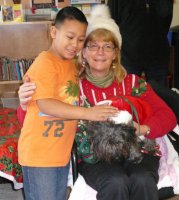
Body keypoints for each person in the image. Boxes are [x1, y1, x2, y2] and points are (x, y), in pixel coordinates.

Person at [17, 5, 177, 200]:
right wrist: (25, 103)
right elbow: (34, 117)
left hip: (138, 150)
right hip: (96, 156)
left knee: (142, 179)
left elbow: (168, 117)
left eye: (108, 46)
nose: (100, 51)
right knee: (115, 183)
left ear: (115, 54)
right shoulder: (74, 84)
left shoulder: (134, 83)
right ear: (83, 53)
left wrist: (142, 129)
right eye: (93, 45)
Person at [17, 6, 118, 200]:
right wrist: (88, 113)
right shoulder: (45, 62)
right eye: (70, 37)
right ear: (53, 32)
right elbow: (45, 104)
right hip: (39, 154)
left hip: (59, 153)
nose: (75, 44)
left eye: (81, 40)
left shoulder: (72, 64)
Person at [107, 0, 174, 86]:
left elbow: (166, 18)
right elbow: (112, 21)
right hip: (128, 55)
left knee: (158, 95)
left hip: (157, 54)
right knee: (129, 94)